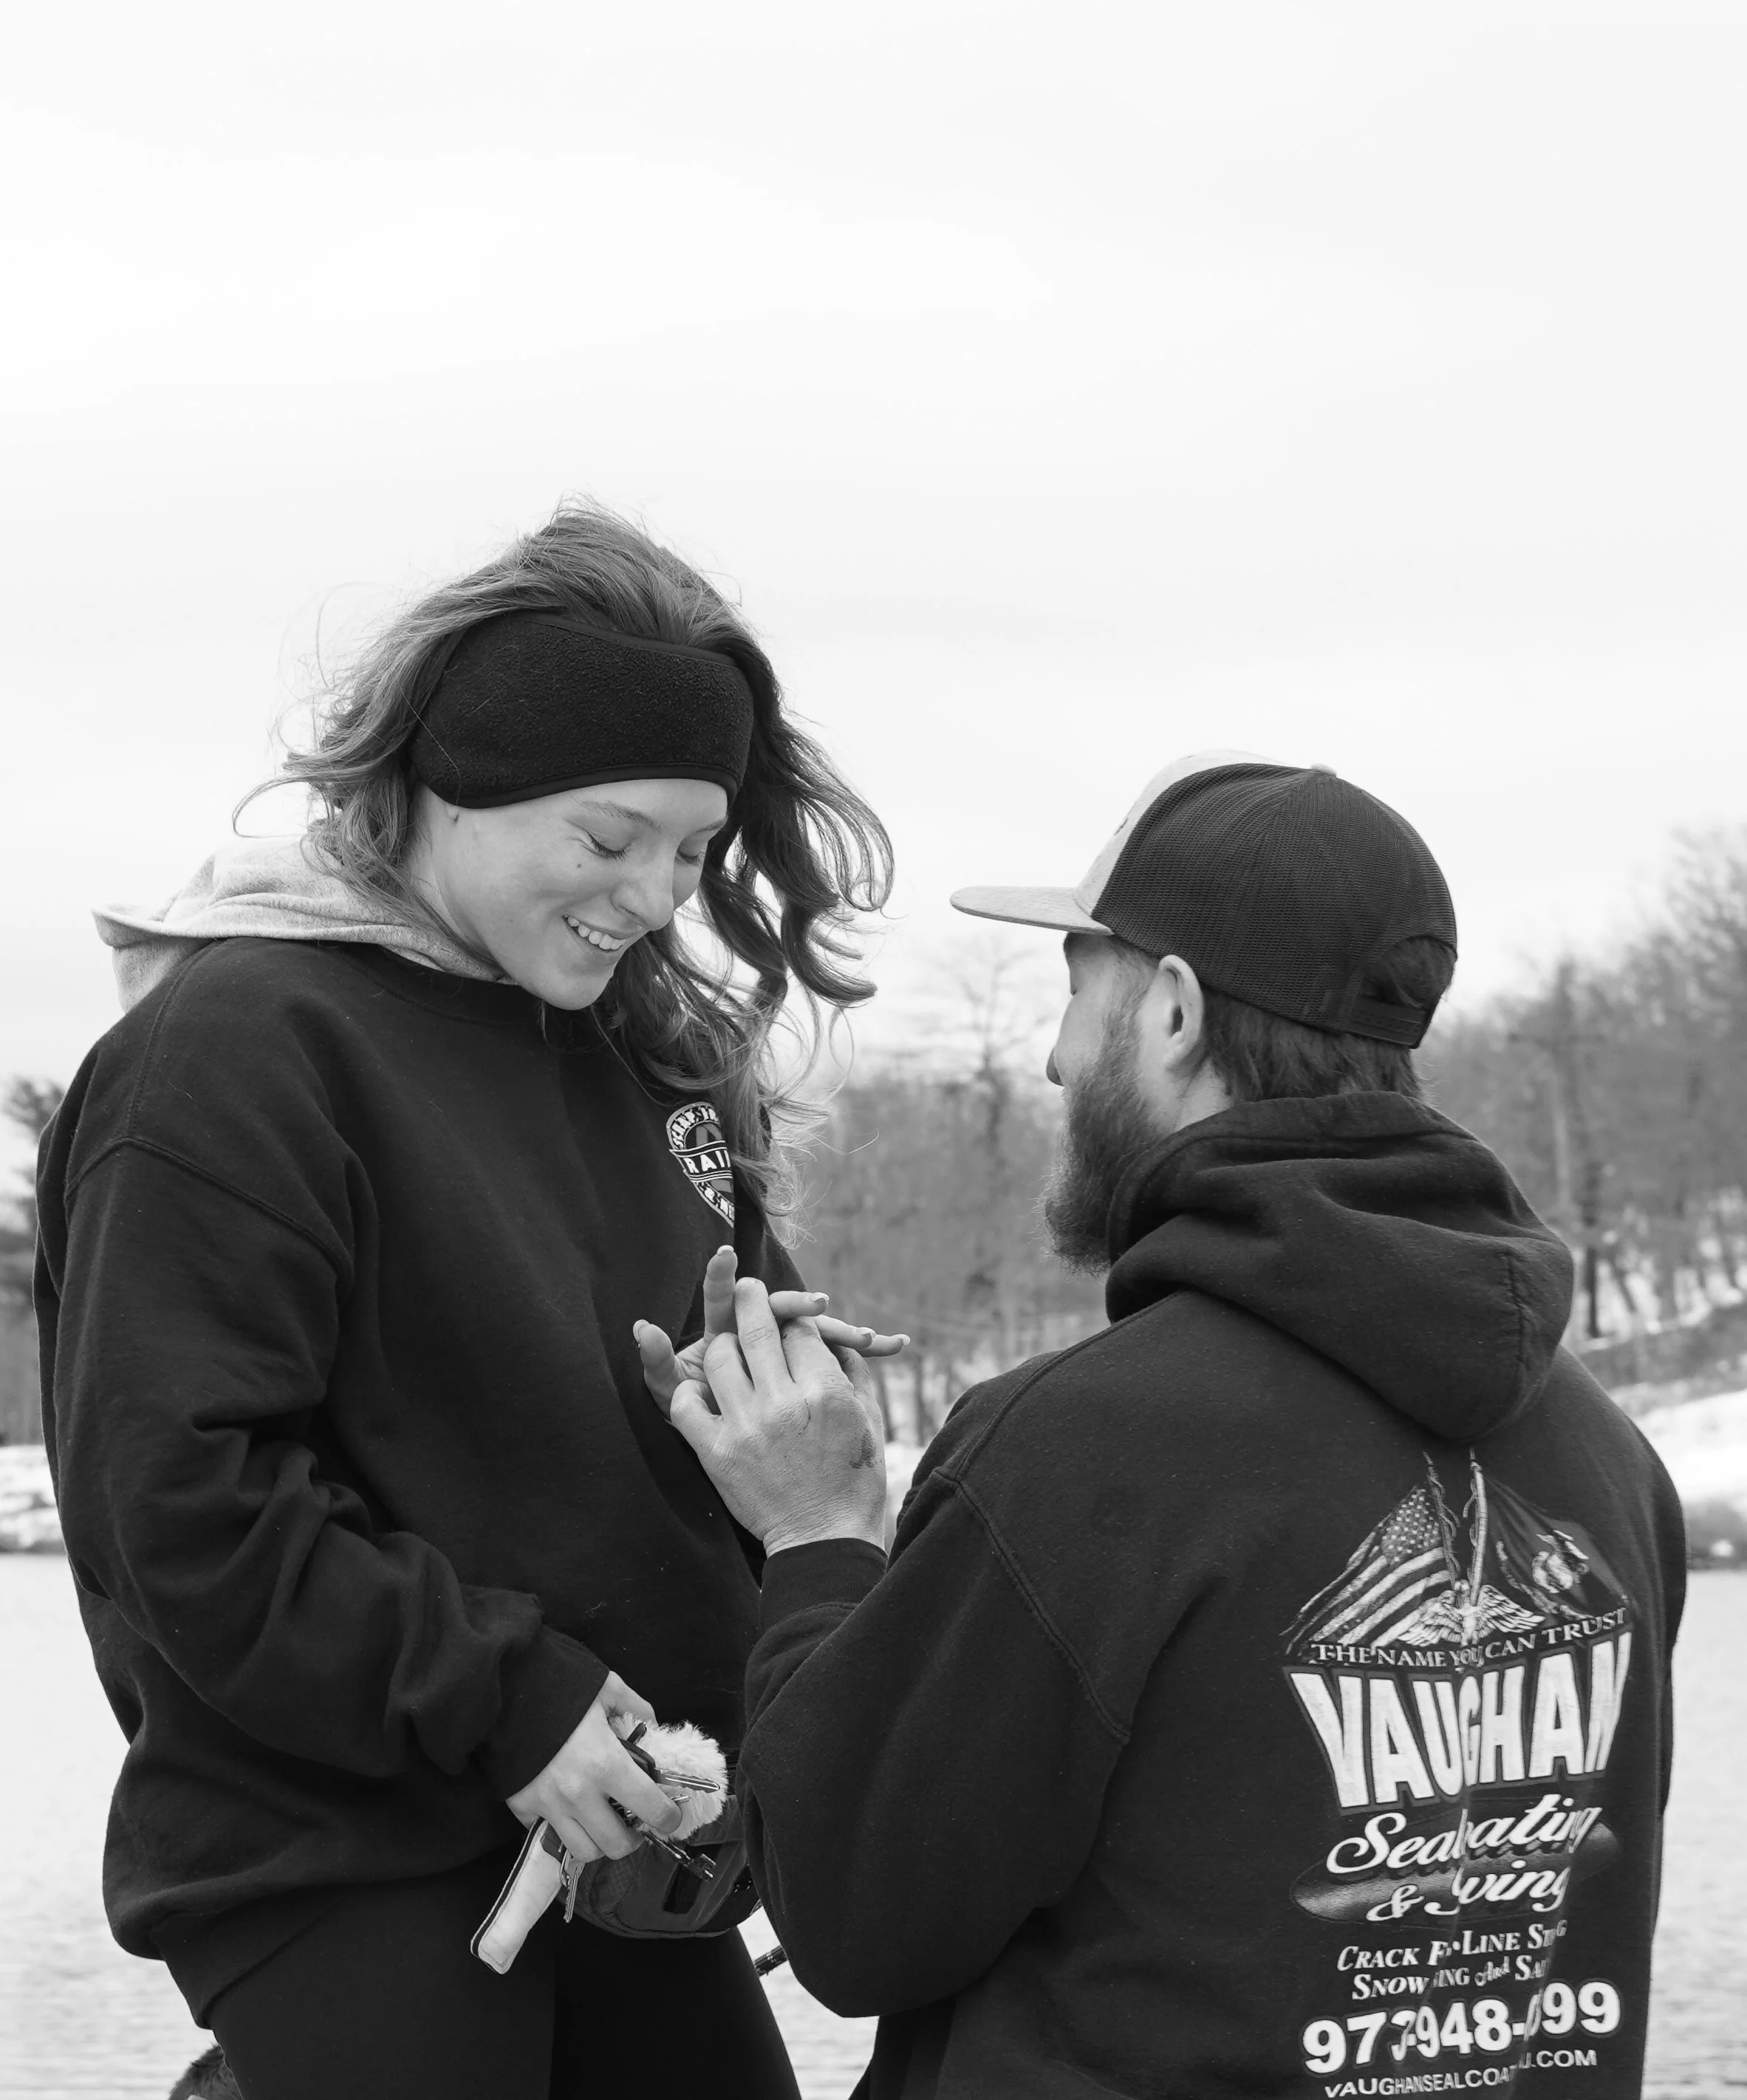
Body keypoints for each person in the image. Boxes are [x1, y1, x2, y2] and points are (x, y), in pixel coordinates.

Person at [34, 503, 898, 2100]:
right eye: (608, 834)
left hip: (632, 1836)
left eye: (694, 848)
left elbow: (582, 1417)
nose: (654, 891)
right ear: (456, 778)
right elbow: (180, 1500)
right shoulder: (237, 1048)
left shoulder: (650, 1057)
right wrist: (512, 1697)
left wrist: (761, 1397)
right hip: (350, 1846)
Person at [661, 753, 1686, 2099]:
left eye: (1079, 998)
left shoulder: (1083, 1451)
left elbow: (852, 1915)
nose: (1052, 1057)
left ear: (1176, 1010)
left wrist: (815, 1539)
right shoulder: (1610, 1462)